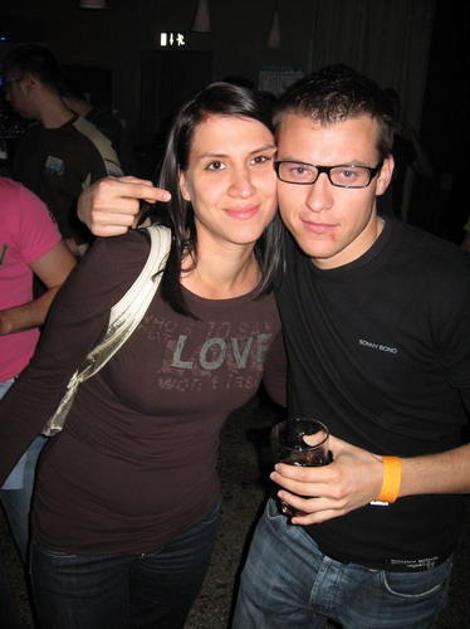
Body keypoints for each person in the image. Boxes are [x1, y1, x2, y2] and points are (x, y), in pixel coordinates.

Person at [80, 66, 470, 629]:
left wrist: (384, 478)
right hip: (287, 534)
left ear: (384, 174)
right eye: (299, 169)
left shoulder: (449, 286)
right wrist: (97, 201)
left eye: (348, 173)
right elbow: (204, 202)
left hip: (399, 568)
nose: (317, 202)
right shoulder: (274, 247)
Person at [0, 82, 286, 629]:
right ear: (183, 182)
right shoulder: (125, 264)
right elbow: (40, 385)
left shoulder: (281, 286)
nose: (243, 185)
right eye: (216, 164)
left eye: (259, 160)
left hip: (189, 531)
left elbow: (287, 388)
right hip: (81, 536)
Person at [0, 177, 76, 626]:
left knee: (36, 534)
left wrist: (9, 320)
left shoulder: (12, 202)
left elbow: (72, 288)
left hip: (12, 394)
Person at [3, 43, 122, 254]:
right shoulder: (29, 139)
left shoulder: (90, 143)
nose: (7, 96)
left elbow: (119, 221)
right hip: (23, 262)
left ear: (29, 82)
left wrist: (71, 247)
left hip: (72, 268)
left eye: (9, 85)